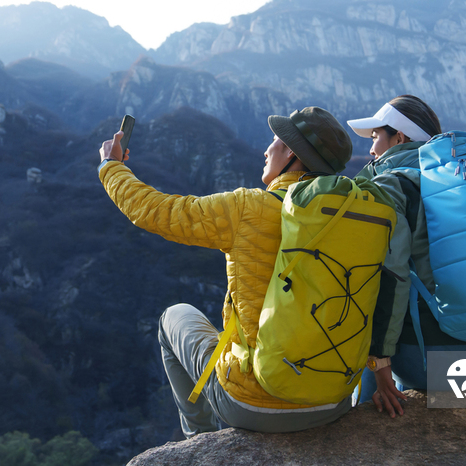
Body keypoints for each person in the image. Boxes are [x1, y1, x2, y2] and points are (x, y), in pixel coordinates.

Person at [98, 107, 354, 438]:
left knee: (173, 318)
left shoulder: (251, 208)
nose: (266, 150)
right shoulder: (351, 217)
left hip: (255, 403)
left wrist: (111, 167)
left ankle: (198, 442)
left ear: (292, 151)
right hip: (333, 399)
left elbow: (158, 212)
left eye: (275, 141)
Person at [347, 95, 466, 415]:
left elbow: (391, 279)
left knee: (372, 350)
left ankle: (365, 429)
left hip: (441, 364)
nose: (371, 150)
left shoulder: (395, 186)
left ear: (399, 137)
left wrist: (380, 364)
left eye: (375, 137)